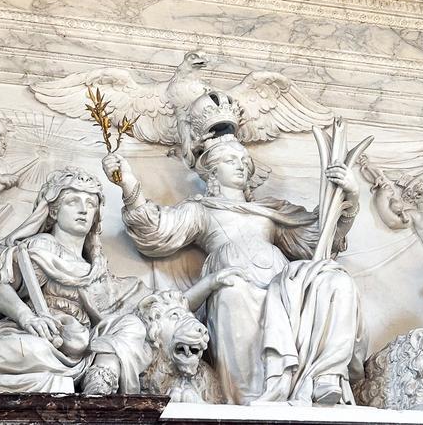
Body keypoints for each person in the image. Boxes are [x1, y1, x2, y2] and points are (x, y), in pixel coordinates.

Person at [0, 167, 242, 399]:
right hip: (42, 335)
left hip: (86, 348)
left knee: (132, 326)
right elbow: (0, 288)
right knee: (25, 349)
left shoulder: (98, 269)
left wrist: (210, 283)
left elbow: (159, 306)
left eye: (90, 203)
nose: (83, 209)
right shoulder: (35, 248)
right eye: (72, 201)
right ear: (52, 210)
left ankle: (101, 383)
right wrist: (29, 318)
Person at [103, 134, 368, 406]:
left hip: (282, 283)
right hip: (234, 280)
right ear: (213, 171)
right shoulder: (201, 210)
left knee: (335, 278)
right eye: (231, 160)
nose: (241, 165)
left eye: (244, 160)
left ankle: (325, 375)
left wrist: (351, 196)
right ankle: (250, 399)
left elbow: (320, 236)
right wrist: (129, 184)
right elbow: (157, 230)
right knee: (233, 293)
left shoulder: (270, 210)